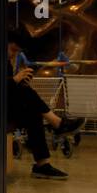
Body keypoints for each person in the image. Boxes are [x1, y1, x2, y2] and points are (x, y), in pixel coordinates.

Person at [8, 38, 84, 180]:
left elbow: (6, 89)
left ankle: (42, 164)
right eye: (12, 50)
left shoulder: (4, 61)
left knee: (33, 111)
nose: (13, 54)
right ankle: (57, 124)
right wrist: (15, 80)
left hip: (5, 107)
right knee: (26, 94)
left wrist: (18, 82)